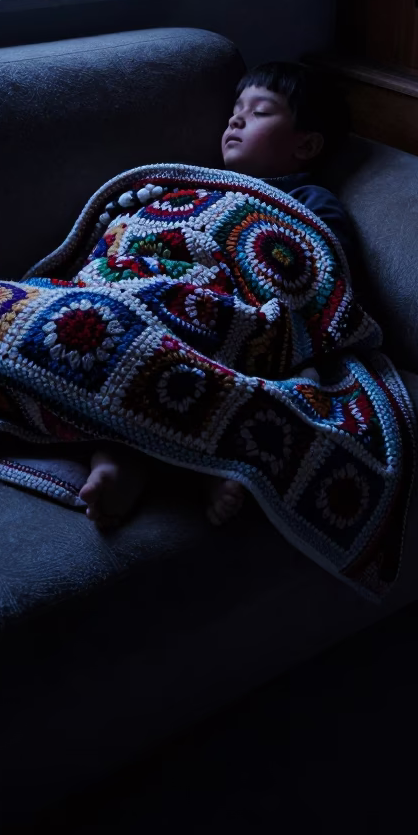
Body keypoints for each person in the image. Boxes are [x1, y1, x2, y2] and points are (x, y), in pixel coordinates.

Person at [78, 60, 358, 530]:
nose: (236, 119)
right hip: (162, 284)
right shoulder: (199, 185)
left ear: (306, 144)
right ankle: (117, 463)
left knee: (201, 363)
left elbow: (322, 269)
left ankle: (197, 467)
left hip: (232, 307)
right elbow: (149, 233)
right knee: (108, 339)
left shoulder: (310, 200)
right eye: (236, 109)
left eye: (259, 111)